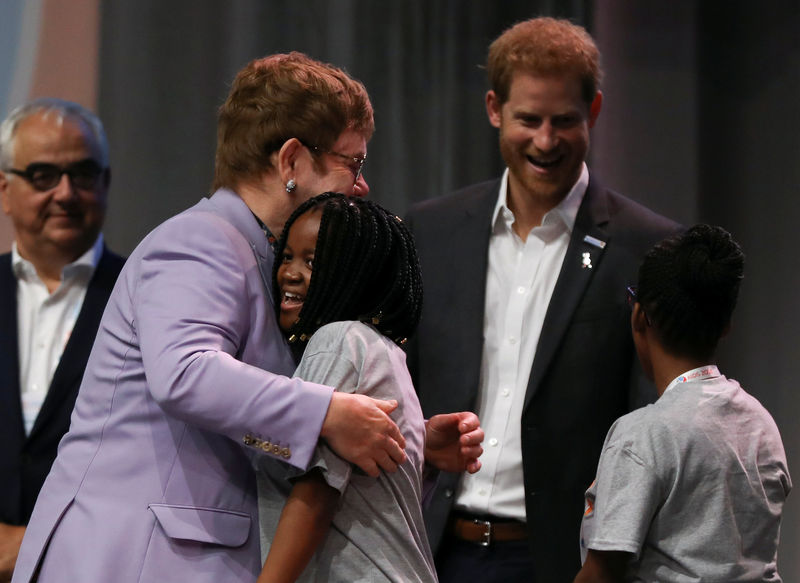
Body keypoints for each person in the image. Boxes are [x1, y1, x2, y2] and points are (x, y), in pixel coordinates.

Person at [11, 53, 480, 583]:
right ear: (292, 161)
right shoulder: (201, 241)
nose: (361, 186)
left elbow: (271, 438)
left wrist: (403, 439)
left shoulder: (267, 259)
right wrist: (330, 413)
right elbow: (183, 371)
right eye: (353, 163)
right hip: (131, 558)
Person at [405, 17, 681, 582]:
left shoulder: (647, 247)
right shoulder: (427, 232)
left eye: (565, 121)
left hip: (567, 564)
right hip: (428, 553)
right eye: (528, 119)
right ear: (492, 108)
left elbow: (662, 421)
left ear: (596, 112)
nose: (546, 141)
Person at [575, 224, 792, 582]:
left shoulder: (641, 436)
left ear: (640, 315)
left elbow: (601, 574)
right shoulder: (762, 423)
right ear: (726, 326)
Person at [256, 192, 437, 582]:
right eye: (287, 256)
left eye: (313, 261)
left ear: (355, 275)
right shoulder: (378, 349)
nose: (290, 272)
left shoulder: (338, 341)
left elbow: (316, 494)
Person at [0, 98, 125, 583]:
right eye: (43, 175)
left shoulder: (145, 296)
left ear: (106, 183)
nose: (67, 193)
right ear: (5, 189)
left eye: (84, 174)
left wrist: (34, 542)